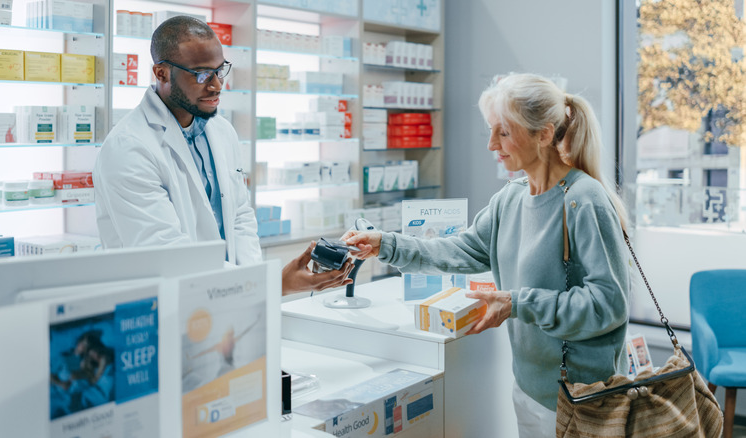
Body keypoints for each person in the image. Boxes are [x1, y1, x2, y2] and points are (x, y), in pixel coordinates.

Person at [344, 73, 631, 438]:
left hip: (585, 399)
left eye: (504, 132)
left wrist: (518, 303)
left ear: (543, 134)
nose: (492, 144)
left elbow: (609, 304)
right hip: (530, 389)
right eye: (491, 131)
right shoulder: (511, 198)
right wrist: (385, 244)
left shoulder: (583, 200)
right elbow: (460, 250)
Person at [93, 16, 353, 294]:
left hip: (228, 298)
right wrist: (266, 284)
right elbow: (164, 253)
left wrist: (250, 283)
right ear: (162, 73)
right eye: (202, 74)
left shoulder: (220, 131)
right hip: (159, 305)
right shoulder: (129, 148)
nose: (217, 85)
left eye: (220, 71)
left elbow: (239, 215)